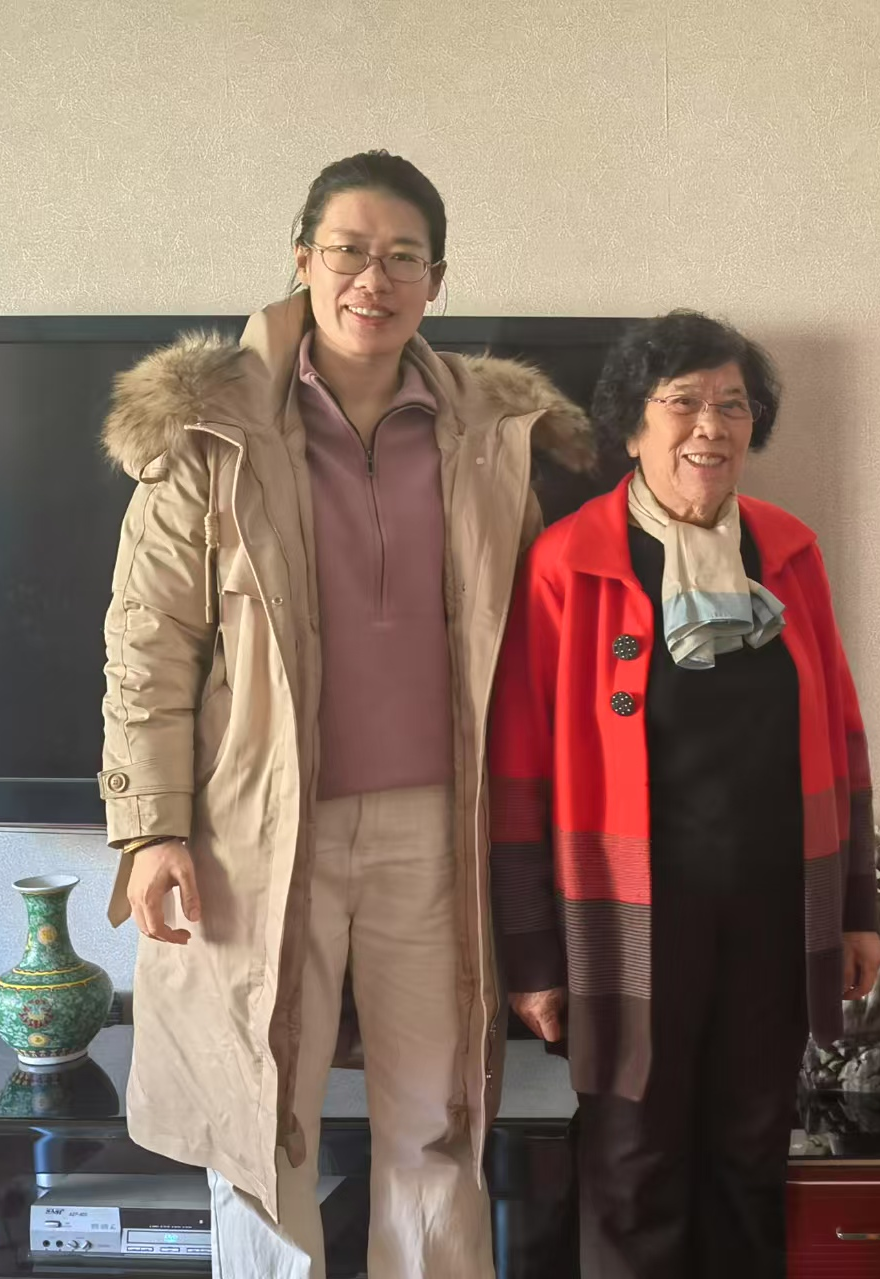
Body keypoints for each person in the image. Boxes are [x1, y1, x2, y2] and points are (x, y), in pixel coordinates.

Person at [97, 150, 595, 1279]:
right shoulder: (214, 429)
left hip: (439, 832)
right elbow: (148, 639)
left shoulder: (492, 433)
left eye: (404, 256)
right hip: (256, 830)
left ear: (437, 280)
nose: (375, 278)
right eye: (349, 250)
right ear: (303, 259)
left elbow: (536, 649)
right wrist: (152, 825)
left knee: (439, 1121)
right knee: (256, 1120)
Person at [488, 310, 880, 1279]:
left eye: (733, 405)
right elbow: (517, 771)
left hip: (769, 911)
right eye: (683, 402)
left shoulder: (787, 550)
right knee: (634, 1163)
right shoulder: (567, 563)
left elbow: (840, 738)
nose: (711, 425)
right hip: (630, 919)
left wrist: (856, 910)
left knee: (751, 1159)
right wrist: (532, 954)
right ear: (632, 425)